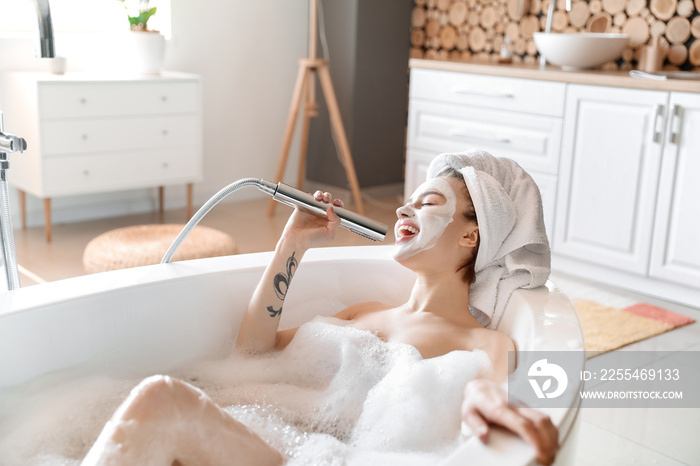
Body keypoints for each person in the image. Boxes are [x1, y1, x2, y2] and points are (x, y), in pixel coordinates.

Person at [82, 153, 559, 466]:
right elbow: (251, 351)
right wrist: (293, 243)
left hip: (324, 457)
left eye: (428, 203)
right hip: (295, 446)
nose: (403, 212)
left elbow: (487, 401)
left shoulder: (483, 342)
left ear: (471, 236)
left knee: (163, 403)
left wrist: (505, 413)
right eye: (406, 203)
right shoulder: (365, 312)